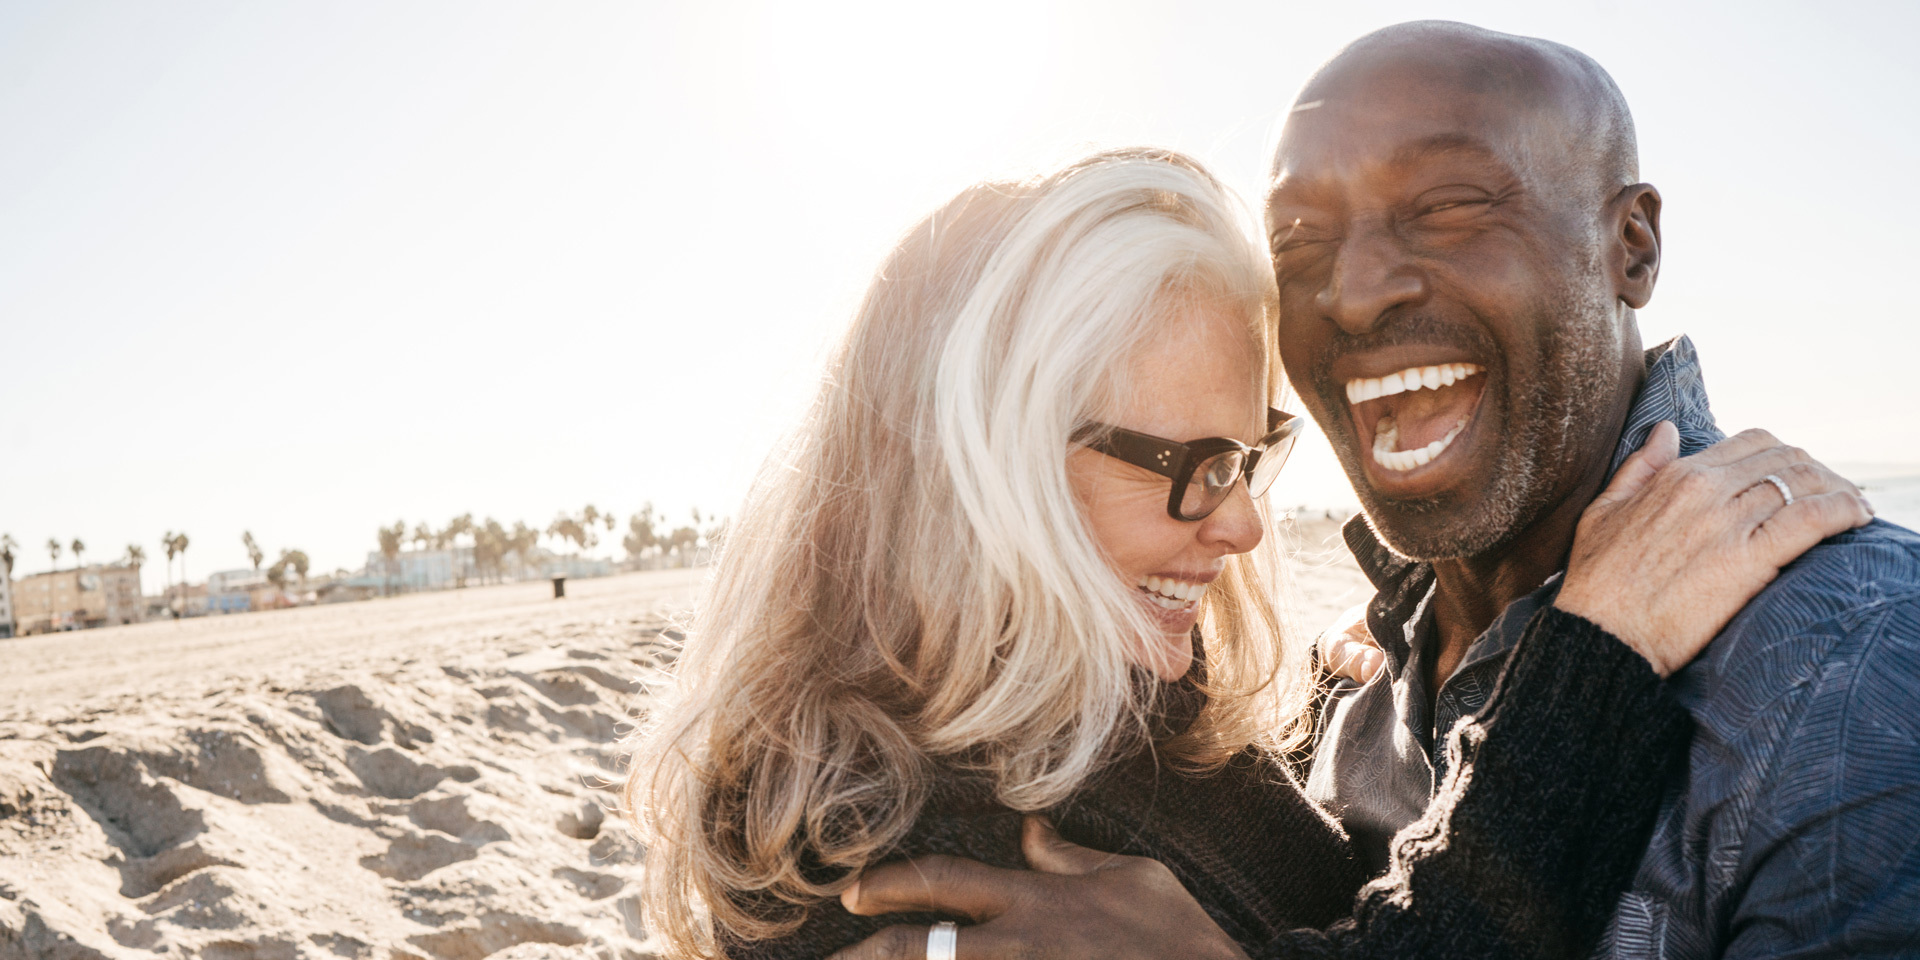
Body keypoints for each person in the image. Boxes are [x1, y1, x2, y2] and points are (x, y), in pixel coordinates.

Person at [830, 21, 1920, 960]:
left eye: (1447, 206)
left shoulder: (1850, 666)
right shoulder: (1348, 701)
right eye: (1299, 241)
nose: (1352, 291)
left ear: (1630, 244)